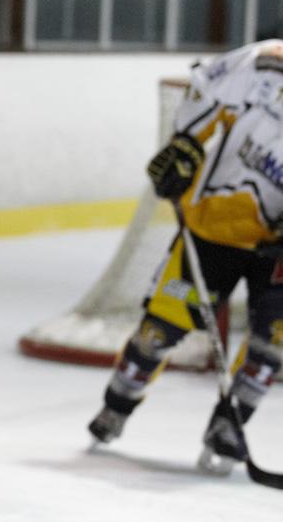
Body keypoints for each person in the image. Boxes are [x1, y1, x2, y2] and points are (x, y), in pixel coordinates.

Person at [88, 40, 283, 473]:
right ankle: (117, 405)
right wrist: (186, 143)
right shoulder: (266, 61)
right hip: (211, 227)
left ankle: (229, 425)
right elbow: (205, 85)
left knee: (272, 342)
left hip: (277, 248)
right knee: (158, 331)